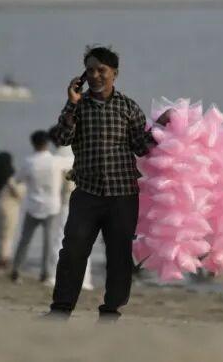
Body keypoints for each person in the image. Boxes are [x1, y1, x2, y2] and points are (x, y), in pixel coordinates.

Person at [48, 46, 166, 320]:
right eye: (90, 71)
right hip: (87, 193)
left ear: (115, 73)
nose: (96, 75)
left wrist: (160, 126)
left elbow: (141, 147)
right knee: (73, 251)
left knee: (119, 257)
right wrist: (72, 102)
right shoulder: (78, 107)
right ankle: (61, 309)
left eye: (102, 70)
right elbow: (62, 138)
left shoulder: (128, 107)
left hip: (123, 196)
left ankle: (111, 311)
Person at [10, 130, 63, 282]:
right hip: (51, 206)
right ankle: (45, 272)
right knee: (48, 241)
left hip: (33, 205)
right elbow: (72, 164)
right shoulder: (55, 161)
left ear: (33, 144)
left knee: (25, 239)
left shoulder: (29, 162)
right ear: (47, 144)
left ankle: (16, 269)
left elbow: (17, 180)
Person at [47, 144, 93, 290]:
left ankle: (55, 276)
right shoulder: (87, 158)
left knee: (61, 241)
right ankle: (84, 280)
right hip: (86, 206)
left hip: (67, 206)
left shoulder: (57, 160)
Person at [0, 151, 23, 268]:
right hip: (8, 210)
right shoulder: (9, 178)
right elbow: (18, 194)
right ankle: (4, 259)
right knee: (6, 236)